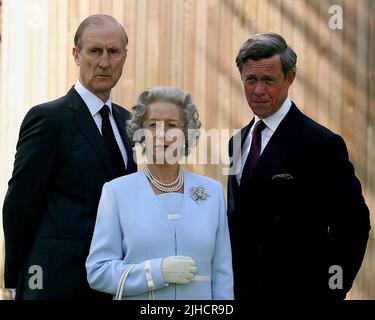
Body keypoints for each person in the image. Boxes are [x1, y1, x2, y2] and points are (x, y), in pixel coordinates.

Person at [2, 14, 137, 300]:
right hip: (55, 282)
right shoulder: (49, 119)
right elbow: (19, 205)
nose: (104, 62)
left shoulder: (129, 122)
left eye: (113, 52)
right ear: (76, 56)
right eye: (94, 51)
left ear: (124, 57)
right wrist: (17, 281)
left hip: (113, 282)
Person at [227, 32, 370, 300]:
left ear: (290, 78)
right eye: (251, 80)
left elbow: (354, 225)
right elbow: (238, 222)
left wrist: (331, 291)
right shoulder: (237, 143)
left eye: (269, 80)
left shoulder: (322, 144)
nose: (258, 90)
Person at [86, 86, 234, 300]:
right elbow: (98, 272)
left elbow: (222, 276)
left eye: (172, 125)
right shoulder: (116, 193)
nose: (162, 134)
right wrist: (157, 272)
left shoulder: (212, 193)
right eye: (153, 125)